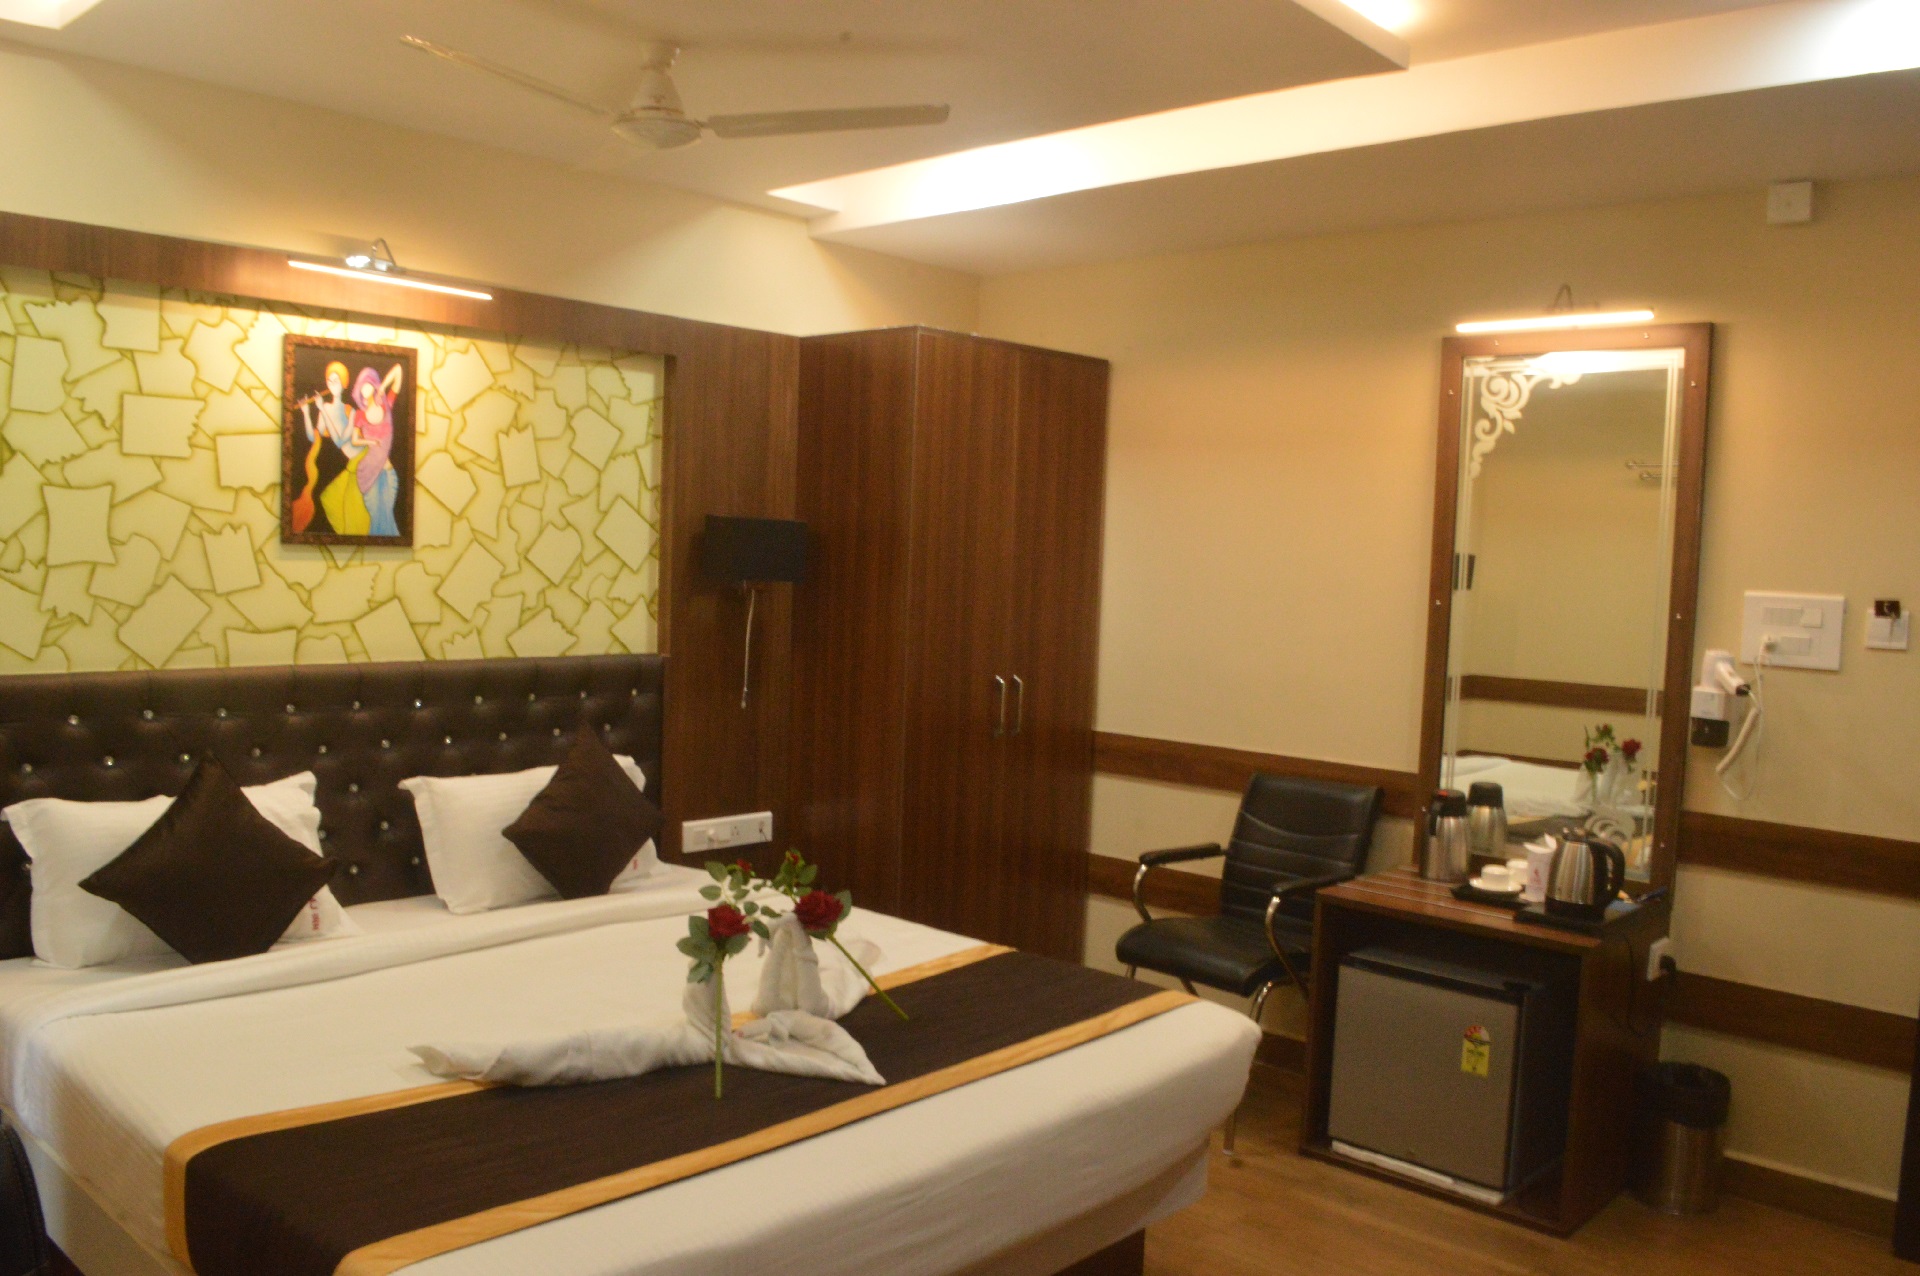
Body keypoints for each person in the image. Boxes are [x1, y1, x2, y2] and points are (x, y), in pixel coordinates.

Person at [350, 362, 404, 537]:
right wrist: (370, 441)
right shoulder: (360, 415)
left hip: (388, 473)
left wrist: (383, 387)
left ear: (374, 384)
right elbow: (354, 440)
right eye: (362, 385)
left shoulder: (386, 405)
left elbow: (398, 370)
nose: (365, 388)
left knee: (386, 519)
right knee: (378, 520)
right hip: (368, 473)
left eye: (368, 383)